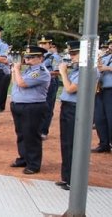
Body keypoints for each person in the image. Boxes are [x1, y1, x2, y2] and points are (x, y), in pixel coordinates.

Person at [9, 46, 50, 175]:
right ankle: (24, 158)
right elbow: (15, 82)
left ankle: (33, 164)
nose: (27, 59)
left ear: (40, 58)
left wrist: (16, 69)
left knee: (31, 135)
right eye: (27, 57)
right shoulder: (28, 70)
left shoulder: (40, 71)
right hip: (20, 105)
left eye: (32, 57)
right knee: (21, 134)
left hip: (32, 107)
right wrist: (14, 71)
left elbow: (22, 84)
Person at [57, 41, 81, 190]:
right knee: (66, 143)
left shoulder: (86, 70)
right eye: (70, 54)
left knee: (73, 144)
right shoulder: (77, 70)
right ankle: (66, 177)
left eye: (74, 54)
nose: (71, 57)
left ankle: (74, 180)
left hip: (76, 108)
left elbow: (70, 88)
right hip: (67, 107)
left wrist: (63, 73)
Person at [37, 35, 62, 140]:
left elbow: (57, 72)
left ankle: (43, 131)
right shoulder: (37, 55)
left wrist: (44, 73)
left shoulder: (53, 57)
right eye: (40, 43)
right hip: (38, 83)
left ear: (50, 44)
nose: (42, 45)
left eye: (45, 43)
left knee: (47, 107)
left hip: (50, 83)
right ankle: (37, 129)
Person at [94, 34, 112, 153]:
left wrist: (108, 68)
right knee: (100, 117)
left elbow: (105, 68)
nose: (110, 46)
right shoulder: (106, 56)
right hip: (101, 89)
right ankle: (104, 143)